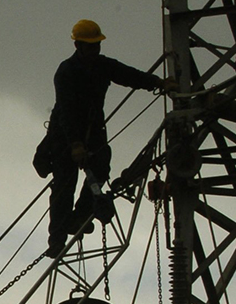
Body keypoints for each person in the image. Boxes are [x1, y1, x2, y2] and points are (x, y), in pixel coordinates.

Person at [42, 19, 169, 258]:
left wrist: (159, 83)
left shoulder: (103, 66)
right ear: (78, 45)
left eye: (96, 46)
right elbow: (66, 111)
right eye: (90, 46)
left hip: (93, 130)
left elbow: (131, 76)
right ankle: (56, 240)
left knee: (100, 170)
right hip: (64, 134)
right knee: (63, 187)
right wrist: (75, 144)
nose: (94, 50)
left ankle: (78, 218)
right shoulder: (66, 72)